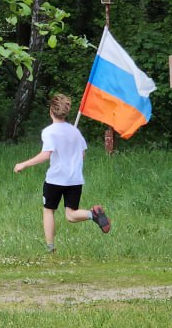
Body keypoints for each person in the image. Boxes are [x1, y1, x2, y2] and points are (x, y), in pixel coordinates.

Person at [14, 93, 110, 252]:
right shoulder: (75, 132)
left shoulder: (49, 131)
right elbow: (82, 154)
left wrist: (23, 164)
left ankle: (50, 248)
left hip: (55, 179)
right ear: (66, 112)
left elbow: (46, 154)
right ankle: (93, 215)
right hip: (75, 180)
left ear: (51, 111)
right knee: (71, 215)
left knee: (48, 210)